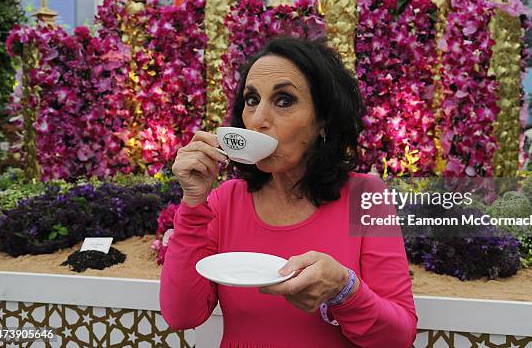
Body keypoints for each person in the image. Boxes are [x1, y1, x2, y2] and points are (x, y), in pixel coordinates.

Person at [160, 37, 417, 347]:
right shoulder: (225, 200)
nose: (257, 120)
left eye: (284, 101)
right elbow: (181, 316)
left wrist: (344, 290)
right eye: (252, 100)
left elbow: (399, 337)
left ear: (323, 119)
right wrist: (192, 202)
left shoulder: (365, 196)